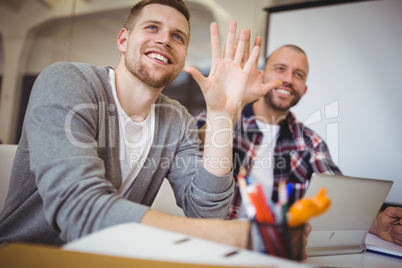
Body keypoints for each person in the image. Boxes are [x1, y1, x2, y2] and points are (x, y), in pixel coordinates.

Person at [1, 0, 312, 258]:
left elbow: (206, 212)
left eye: (178, 37)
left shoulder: (176, 119)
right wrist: (243, 237)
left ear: (181, 59)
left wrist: (221, 114)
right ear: (123, 40)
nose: (165, 39)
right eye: (152, 27)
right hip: (27, 256)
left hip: (111, 258)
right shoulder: (67, 82)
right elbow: (78, 209)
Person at [197, 44, 402, 246]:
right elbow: (197, 149)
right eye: (280, 69)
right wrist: (230, 109)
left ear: (304, 90)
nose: (287, 79)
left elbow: (337, 192)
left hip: (276, 249)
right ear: (260, 76)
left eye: (298, 74)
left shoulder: (310, 142)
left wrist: (376, 222)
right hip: (217, 241)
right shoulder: (222, 116)